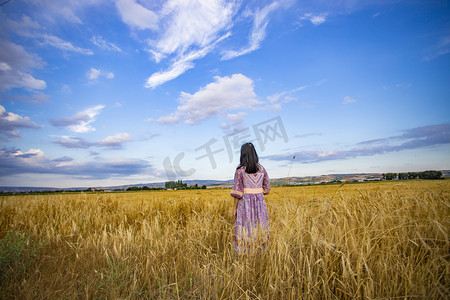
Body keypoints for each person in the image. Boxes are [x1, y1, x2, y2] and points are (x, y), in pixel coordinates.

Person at [231, 142, 270, 253]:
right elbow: (267, 188)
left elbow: (237, 191)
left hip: (245, 204)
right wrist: (257, 192)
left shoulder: (240, 170)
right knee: (259, 224)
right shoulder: (262, 169)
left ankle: (245, 252)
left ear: (243, 154)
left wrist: (234, 208)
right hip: (260, 203)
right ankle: (260, 251)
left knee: (245, 225)